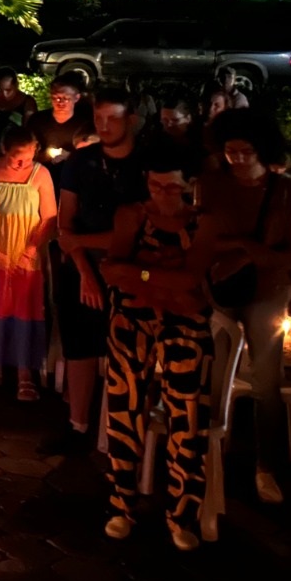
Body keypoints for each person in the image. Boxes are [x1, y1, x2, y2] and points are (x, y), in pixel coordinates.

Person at [194, 108, 291, 504]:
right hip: (221, 294)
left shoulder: (286, 190)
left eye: (246, 150)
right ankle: (210, 456)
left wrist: (244, 253)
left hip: (267, 293)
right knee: (216, 378)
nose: (239, 158)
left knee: (267, 381)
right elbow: (202, 240)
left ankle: (267, 467)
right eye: (231, 151)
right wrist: (243, 252)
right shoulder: (209, 185)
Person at [99, 152, 213, 551]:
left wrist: (140, 274)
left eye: (171, 187)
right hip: (131, 322)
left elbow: (192, 280)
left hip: (186, 329)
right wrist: (165, 284)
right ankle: (120, 504)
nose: (162, 194)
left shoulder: (204, 222)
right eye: (155, 185)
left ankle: (183, 513)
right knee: (124, 409)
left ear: (188, 185)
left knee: (188, 415)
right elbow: (112, 271)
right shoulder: (131, 214)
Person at [45, 87, 147, 456]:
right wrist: (86, 271)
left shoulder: (146, 165)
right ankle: (78, 425)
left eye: (113, 118)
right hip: (81, 269)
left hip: (134, 271)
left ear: (131, 120)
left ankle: (125, 429)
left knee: (128, 353)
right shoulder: (80, 162)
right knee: (79, 348)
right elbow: (65, 226)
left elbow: (133, 229)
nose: (104, 126)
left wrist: (83, 241)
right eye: (99, 119)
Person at [0, 124, 57, 401]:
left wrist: (32, 249)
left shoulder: (40, 175)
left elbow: (49, 218)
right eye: (17, 157)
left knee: (25, 311)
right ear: (4, 149)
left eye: (29, 157)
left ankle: (24, 373)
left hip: (26, 256)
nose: (23, 163)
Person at [31, 73, 95, 189]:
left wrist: (70, 156)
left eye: (65, 98)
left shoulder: (86, 122)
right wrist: (46, 156)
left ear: (76, 98)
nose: (60, 102)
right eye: (55, 97)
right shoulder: (37, 120)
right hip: (42, 180)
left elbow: (93, 153)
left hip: (76, 181)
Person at [0, 67, 38, 161]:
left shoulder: (27, 102)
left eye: (9, 90)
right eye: (1, 90)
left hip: (16, 155)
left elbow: (29, 134)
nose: (4, 95)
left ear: (16, 85)